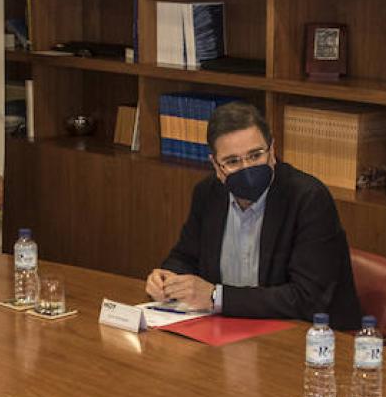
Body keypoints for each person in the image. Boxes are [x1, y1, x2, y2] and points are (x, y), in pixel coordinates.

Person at [146, 102, 361, 329]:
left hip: (308, 340)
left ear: (272, 150)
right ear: (216, 166)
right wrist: (167, 279)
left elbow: (308, 298)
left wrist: (215, 298)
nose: (247, 168)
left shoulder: (308, 199)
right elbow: (185, 257)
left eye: (255, 155)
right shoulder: (208, 194)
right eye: (232, 161)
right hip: (227, 332)